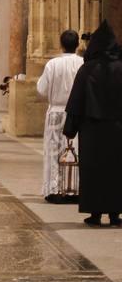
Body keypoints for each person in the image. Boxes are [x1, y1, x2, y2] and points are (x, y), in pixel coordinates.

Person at [63, 20, 122, 227]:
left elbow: (76, 101)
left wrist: (70, 129)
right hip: (117, 130)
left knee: (94, 171)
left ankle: (95, 214)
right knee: (117, 171)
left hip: (93, 131)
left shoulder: (87, 70)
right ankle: (115, 214)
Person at [36, 29, 82, 203]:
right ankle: (74, 189)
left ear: (61, 44)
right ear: (77, 44)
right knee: (75, 149)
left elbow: (41, 89)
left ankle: (55, 190)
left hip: (56, 112)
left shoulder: (53, 64)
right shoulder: (83, 63)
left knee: (54, 151)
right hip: (76, 113)